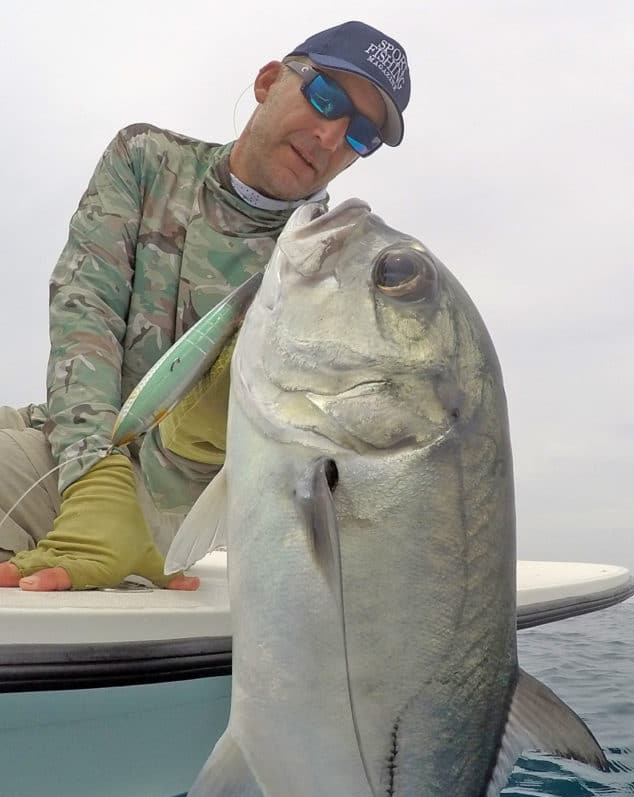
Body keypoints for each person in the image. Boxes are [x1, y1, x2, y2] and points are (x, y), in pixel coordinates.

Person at [0, 21, 410, 593]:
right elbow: (85, 310)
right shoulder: (145, 159)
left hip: (176, 503)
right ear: (269, 81)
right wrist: (94, 476)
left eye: (360, 134)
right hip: (72, 436)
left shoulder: (331, 272)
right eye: (326, 98)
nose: (329, 137)